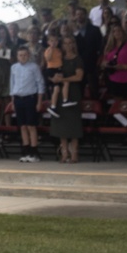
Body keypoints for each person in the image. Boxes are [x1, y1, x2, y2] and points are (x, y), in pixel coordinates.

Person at [50, 34, 84, 162]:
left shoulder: (77, 59)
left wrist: (63, 79)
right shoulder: (59, 58)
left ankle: (74, 152)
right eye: (65, 43)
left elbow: (79, 76)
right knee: (61, 124)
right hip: (59, 93)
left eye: (70, 43)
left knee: (73, 124)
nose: (68, 45)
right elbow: (51, 72)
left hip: (73, 93)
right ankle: (64, 152)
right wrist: (53, 79)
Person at [10, 44, 44, 161]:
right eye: (20, 55)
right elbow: (12, 84)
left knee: (31, 125)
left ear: (28, 56)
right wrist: (13, 101)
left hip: (30, 98)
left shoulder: (34, 67)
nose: (23, 57)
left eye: (25, 55)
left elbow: (40, 84)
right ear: (17, 56)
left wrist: (39, 101)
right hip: (18, 98)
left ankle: (34, 151)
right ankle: (26, 150)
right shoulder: (14, 67)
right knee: (22, 125)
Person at [101, 20, 127, 102]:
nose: (117, 33)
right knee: (119, 108)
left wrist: (125, 67)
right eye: (114, 31)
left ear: (123, 32)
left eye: (119, 30)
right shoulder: (109, 48)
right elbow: (103, 61)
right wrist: (105, 64)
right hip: (115, 80)